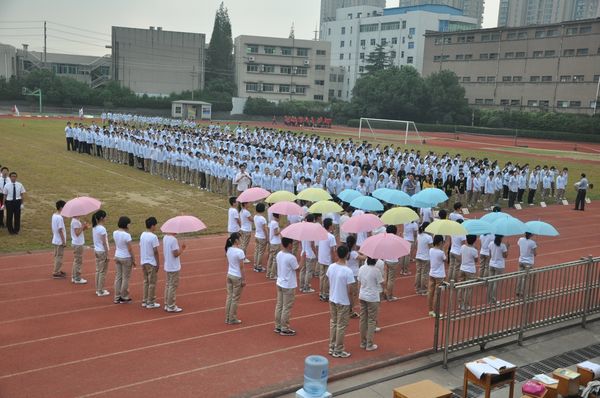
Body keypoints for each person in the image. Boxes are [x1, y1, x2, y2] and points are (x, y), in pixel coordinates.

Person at [327, 245, 355, 358]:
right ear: (347, 254)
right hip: (343, 301)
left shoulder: (331, 267)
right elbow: (350, 290)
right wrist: (352, 303)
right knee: (341, 326)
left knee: (333, 323)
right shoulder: (348, 271)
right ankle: (338, 349)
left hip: (332, 298)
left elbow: (329, 281)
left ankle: (332, 346)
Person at [358, 257, 384, 351]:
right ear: (375, 261)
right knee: (371, 320)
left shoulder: (361, 268)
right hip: (372, 297)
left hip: (362, 295)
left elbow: (359, 282)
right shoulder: (376, 271)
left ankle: (362, 342)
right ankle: (369, 344)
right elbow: (381, 283)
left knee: (363, 319)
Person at [274, 237, 299, 336]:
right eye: (292, 244)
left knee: (279, 305)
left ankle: (278, 325)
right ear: (289, 244)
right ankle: (284, 327)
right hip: (288, 285)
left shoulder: (279, 254)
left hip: (280, 282)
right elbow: (297, 268)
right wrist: (303, 259)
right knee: (286, 307)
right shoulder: (291, 257)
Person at [113, 216, 136, 304]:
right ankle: (124, 296)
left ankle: (117, 296)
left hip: (117, 255)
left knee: (118, 277)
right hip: (126, 257)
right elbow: (130, 249)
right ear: (126, 224)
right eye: (129, 223)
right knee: (126, 278)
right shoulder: (127, 235)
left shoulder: (115, 232)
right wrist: (133, 259)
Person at [225, 232, 246, 325]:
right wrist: (244, 279)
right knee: (235, 299)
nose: (241, 240)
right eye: (240, 238)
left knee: (229, 297)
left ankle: (227, 317)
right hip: (237, 276)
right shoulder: (240, 252)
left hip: (229, 275)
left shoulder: (228, 249)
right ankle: (232, 318)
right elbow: (242, 267)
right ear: (236, 240)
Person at [163, 229, 186, 312]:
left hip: (168, 265)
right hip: (173, 266)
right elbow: (175, 254)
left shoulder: (165, 237)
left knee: (168, 285)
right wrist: (182, 249)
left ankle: (167, 304)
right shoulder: (173, 239)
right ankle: (171, 306)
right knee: (172, 286)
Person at [140, 217, 161, 309]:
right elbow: (155, 251)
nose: (156, 227)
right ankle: (151, 302)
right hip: (151, 262)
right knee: (152, 283)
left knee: (146, 282)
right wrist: (158, 263)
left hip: (143, 261)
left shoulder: (142, 234)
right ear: (152, 226)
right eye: (155, 225)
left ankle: (145, 300)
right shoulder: (153, 237)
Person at [317, 218, 337, 302]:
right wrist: (334, 260)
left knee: (322, 277)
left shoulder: (321, 234)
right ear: (329, 226)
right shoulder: (331, 237)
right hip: (327, 259)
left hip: (321, 258)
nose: (333, 226)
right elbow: (333, 250)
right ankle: (325, 293)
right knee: (327, 277)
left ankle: (321, 293)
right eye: (332, 225)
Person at [458, 235, 479, 311]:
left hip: (462, 268)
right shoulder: (474, 250)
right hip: (470, 270)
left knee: (461, 286)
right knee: (468, 288)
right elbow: (476, 260)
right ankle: (465, 305)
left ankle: (460, 303)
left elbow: (460, 256)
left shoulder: (463, 247)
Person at [92, 210, 110, 296]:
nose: (107, 218)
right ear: (102, 218)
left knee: (98, 270)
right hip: (102, 251)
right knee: (102, 271)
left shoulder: (94, 227)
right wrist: (107, 254)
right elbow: (104, 242)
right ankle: (100, 290)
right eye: (106, 217)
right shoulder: (102, 228)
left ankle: (98, 289)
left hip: (97, 250)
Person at [427, 235, 446, 317]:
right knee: (437, 294)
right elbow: (446, 260)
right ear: (440, 242)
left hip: (432, 274)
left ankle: (430, 310)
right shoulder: (441, 253)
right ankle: (436, 311)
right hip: (439, 275)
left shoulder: (431, 250)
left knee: (430, 292)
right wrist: (444, 250)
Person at [346, 235, 364, 317]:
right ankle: (350, 310)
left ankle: (349, 309)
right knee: (353, 293)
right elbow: (363, 258)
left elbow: (357, 253)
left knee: (349, 292)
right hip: (354, 274)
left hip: (348, 273)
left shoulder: (347, 251)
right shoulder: (353, 253)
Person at [487, 235, 508, 304]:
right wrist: (507, 248)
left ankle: (489, 298)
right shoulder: (503, 246)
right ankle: (493, 299)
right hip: (499, 265)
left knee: (490, 282)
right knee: (496, 283)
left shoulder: (491, 243)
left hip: (492, 264)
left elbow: (490, 255)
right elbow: (505, 256)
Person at [299, 213, 318, 293]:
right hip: (309, 253)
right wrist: (316, 253)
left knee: (303, 270)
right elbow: (312, 244)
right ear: (313, 221)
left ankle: (301, 286)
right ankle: (306, 287)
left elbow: (300, 241)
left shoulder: (302, 229)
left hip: (303, 252)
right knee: (309, 271)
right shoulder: (311, 230)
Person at [383, 225, 401, 301]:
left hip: (386, 259)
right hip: (393, 260)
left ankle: (384, 293)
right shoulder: (396, 239)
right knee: (391, 280)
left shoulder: (384, 238)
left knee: (385, 277)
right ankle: (389, 296)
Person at [414, 222, 433, 295]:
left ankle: (417, 288)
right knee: (424, 274)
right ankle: (424, 289)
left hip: (418, 256)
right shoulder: (429, 237)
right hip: (425, 257)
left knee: (418, 272)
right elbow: (431, 247)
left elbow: (416, 244)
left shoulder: (419, 235)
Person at [516, 232, 537, 297]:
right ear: (531, 235)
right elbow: (535, 254)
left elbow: (520, 244)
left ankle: (517, 291)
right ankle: (522, 292)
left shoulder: (520, 239)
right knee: (525, 278)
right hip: (528, 263)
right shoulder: (532, 243)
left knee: (520, 276)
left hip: (521, 261)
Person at [70, 214, 89, 284]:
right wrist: (83, 226)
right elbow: (77, 233)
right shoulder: (75, 221)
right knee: (78, 261)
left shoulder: (77, 221)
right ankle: (77, 278)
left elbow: (79, 231)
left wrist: (84, 227)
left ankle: (74, 276)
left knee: (76, 261)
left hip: (78, 243)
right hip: (78, 243)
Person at [51, 200, 67, 279]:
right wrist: (64, 241)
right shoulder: (60, 218)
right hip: (59, 240)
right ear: (61, 207)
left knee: (57, 256)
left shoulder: (54, 215)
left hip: (55, 239)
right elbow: (60, 230)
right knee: (59, 257)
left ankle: (58, 269)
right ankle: (56, 272)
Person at [253, 203, 268, 273]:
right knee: (261, 252)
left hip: (256, 235)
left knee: (257, 251)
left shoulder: (255, 217)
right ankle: (259, 266)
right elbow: (264, 229)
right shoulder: (263, 219)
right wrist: (267, 237)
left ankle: (255, 265)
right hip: (262, 237)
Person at [266, 213, 282, 279]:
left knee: (271, 258)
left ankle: (268, 273)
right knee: (275, 259)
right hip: (276, 242)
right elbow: (276, 233)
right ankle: (272, 275)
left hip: (272, 242)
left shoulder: (272, 222)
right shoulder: (275, 223)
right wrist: (280, 231)